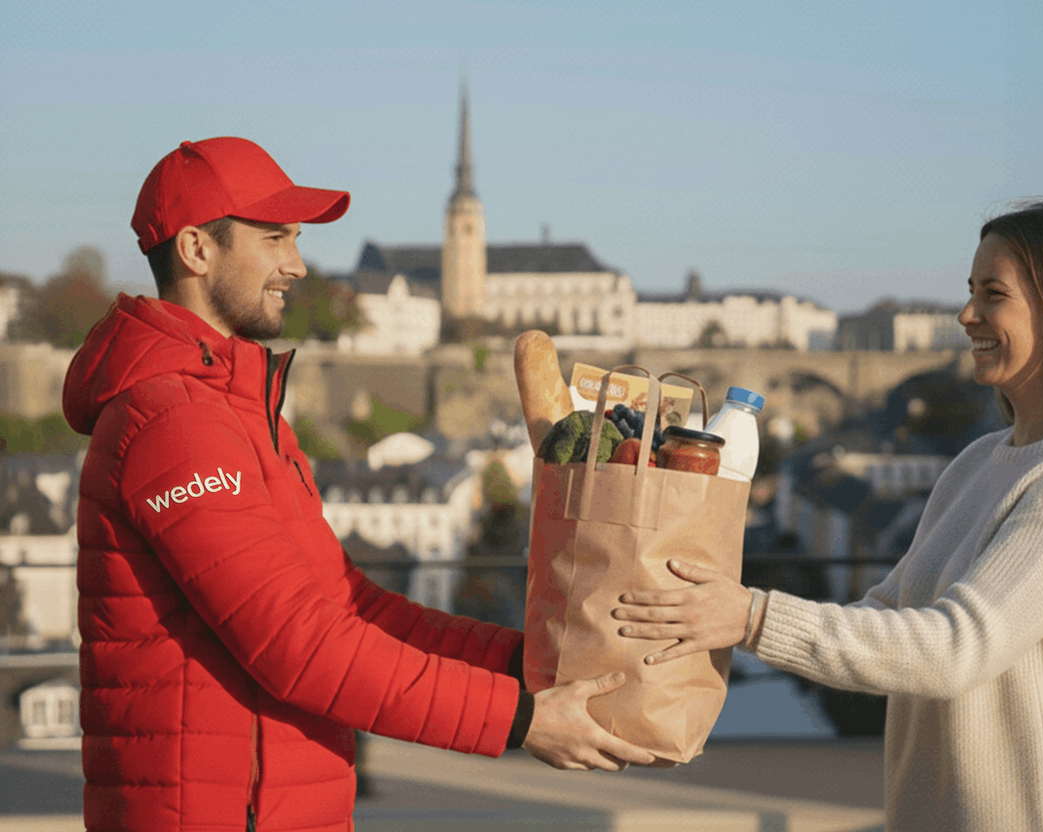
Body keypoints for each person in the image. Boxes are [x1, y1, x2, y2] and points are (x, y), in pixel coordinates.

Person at [63, 136, 653, 832]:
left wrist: (528, 666)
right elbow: (299, 644)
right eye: (275, 238)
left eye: (296, 239)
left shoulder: (236, 410)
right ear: (196, 250)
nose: (297, 263)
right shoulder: (173, 423)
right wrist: (520, 718)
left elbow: (350, 607)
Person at [614, 200, 1043, 831]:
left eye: (993, 295)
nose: (966, 314)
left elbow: (958, 647)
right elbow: (889, 616)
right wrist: (720, 606)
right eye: (970, 291)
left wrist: (751, 617)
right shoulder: (977, 462)